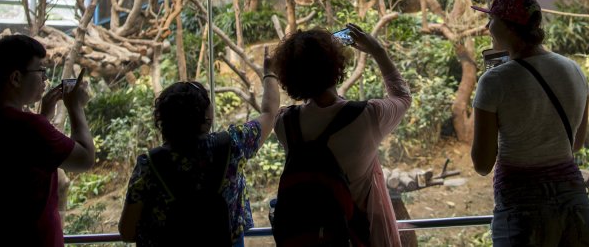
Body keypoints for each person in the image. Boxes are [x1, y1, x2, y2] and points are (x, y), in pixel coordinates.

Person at [470, 0, 589, 247]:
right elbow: (574, 144)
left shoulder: (495, 80)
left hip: (522, 205)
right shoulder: (573, 70)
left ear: (508, 27)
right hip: (573, 200)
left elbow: (482, 164)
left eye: (492, 19)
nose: (487, 25)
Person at [118, 48, 280, 247]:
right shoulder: (231, 145)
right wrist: (270, 72)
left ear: (163, 121)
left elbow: (127, 231)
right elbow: (269, 114)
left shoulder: (149, 164)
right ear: (207, 117)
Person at [270, 24, 411, 247]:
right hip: (357, 236)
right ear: (336, 64)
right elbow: (403, 97)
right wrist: (378, 51)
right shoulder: (366, 116)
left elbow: (318, 113)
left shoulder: (284, 123)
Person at [0, 33, 96, 247]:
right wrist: (74, 106)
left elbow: (16, 167)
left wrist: (43, 117)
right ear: (16, 78)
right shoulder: (28, 127)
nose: (45, 79)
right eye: (40, 71)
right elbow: (85, 159)